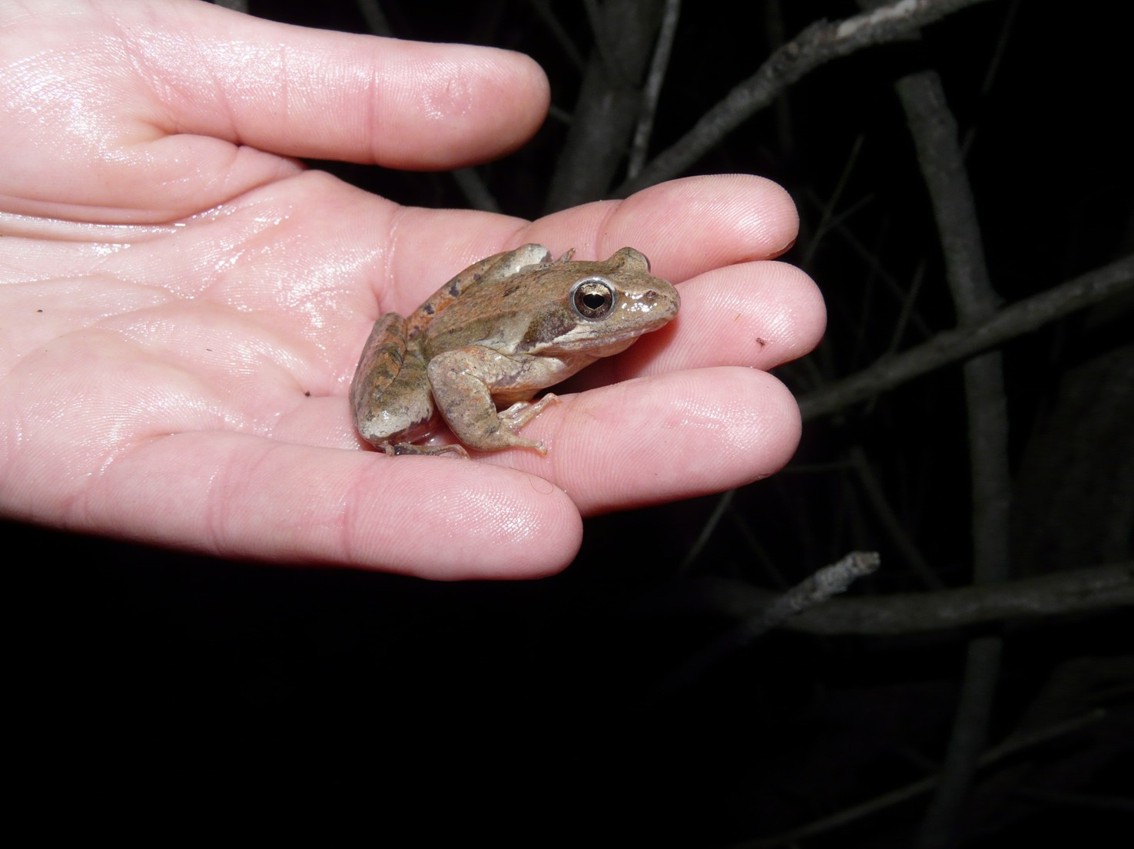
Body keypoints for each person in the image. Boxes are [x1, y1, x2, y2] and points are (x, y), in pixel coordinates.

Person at [0, 0, 824, 579]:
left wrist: (561, 293)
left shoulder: (607, 311)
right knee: (391, 411)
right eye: (602, 302)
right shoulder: (513, 357)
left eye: (625, 283)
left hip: (492, 308)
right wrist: (491, 434)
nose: (647, 302)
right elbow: (452, 371)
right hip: (450, 343)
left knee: (530, 261)